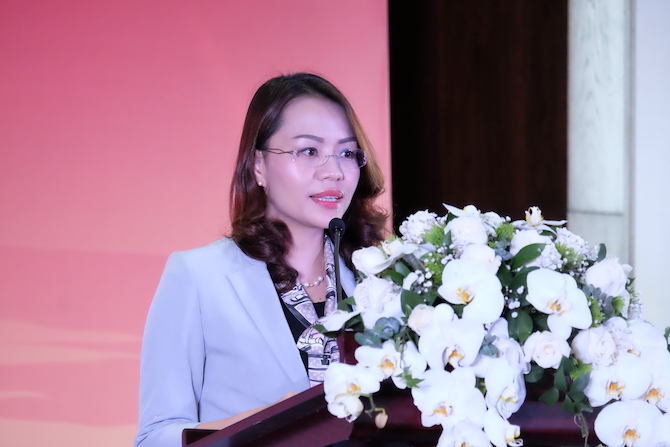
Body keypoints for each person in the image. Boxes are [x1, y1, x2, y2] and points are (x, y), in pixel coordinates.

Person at [134, 72, 387, 447]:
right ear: (258, 166)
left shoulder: (381, 280)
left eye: (347, 153)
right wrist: (267, 423)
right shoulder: (199, 277)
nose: (334, 171)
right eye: (309, 151)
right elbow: (155, 437)